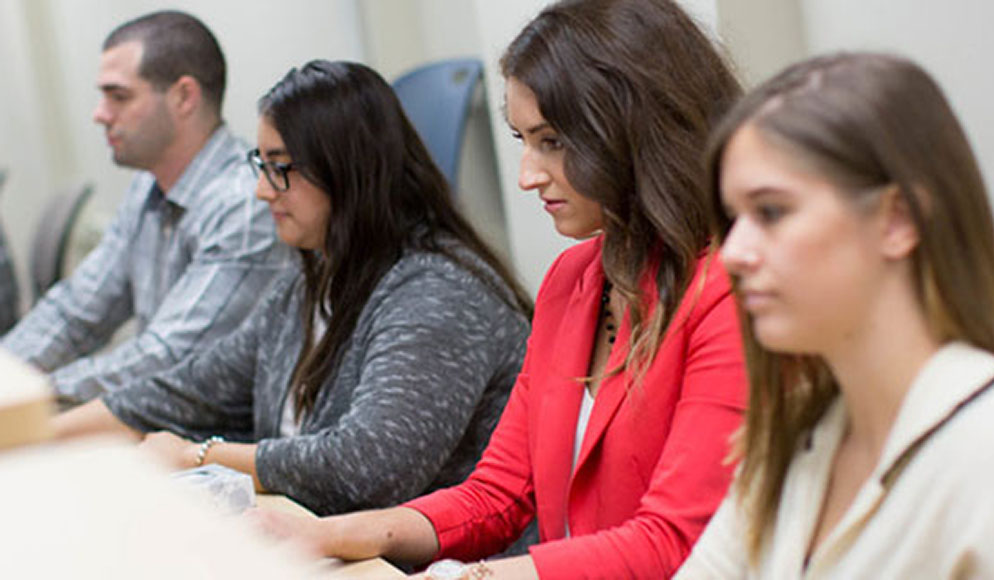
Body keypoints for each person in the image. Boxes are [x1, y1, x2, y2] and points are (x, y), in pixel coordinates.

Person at [253, 1, 747, 577]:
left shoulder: (729, 295)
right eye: (524, 139)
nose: (527, 175)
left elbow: (671, 545)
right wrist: (326, 535)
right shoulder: (574, 281)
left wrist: (475, 577)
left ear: (635, 127)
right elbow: (499, 494)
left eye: (552, 141)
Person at [53, 60, 533, 517]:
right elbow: (188, 390)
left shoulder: (439, 293)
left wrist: (198, 456)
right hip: (319, 538)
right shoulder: (310, 281)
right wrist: (39, 434)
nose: (263, 189)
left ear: (348, 172)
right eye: (260, 165)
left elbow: (366, 468)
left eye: (280, 168)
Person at [674, 53, 994, 578]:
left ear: (897, 219)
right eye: (732, 218)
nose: (732, 253)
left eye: (770, 212)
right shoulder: (793, 443)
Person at [1, 11, 288, 405]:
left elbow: (167, 359)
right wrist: (8, 374)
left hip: (217, 440)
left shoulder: (243, 205)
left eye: (118, 96)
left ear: (184, 97)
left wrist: (24, 394)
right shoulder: (147, 187)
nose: (99, 114)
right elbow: (76, 312)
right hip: (156, 419)